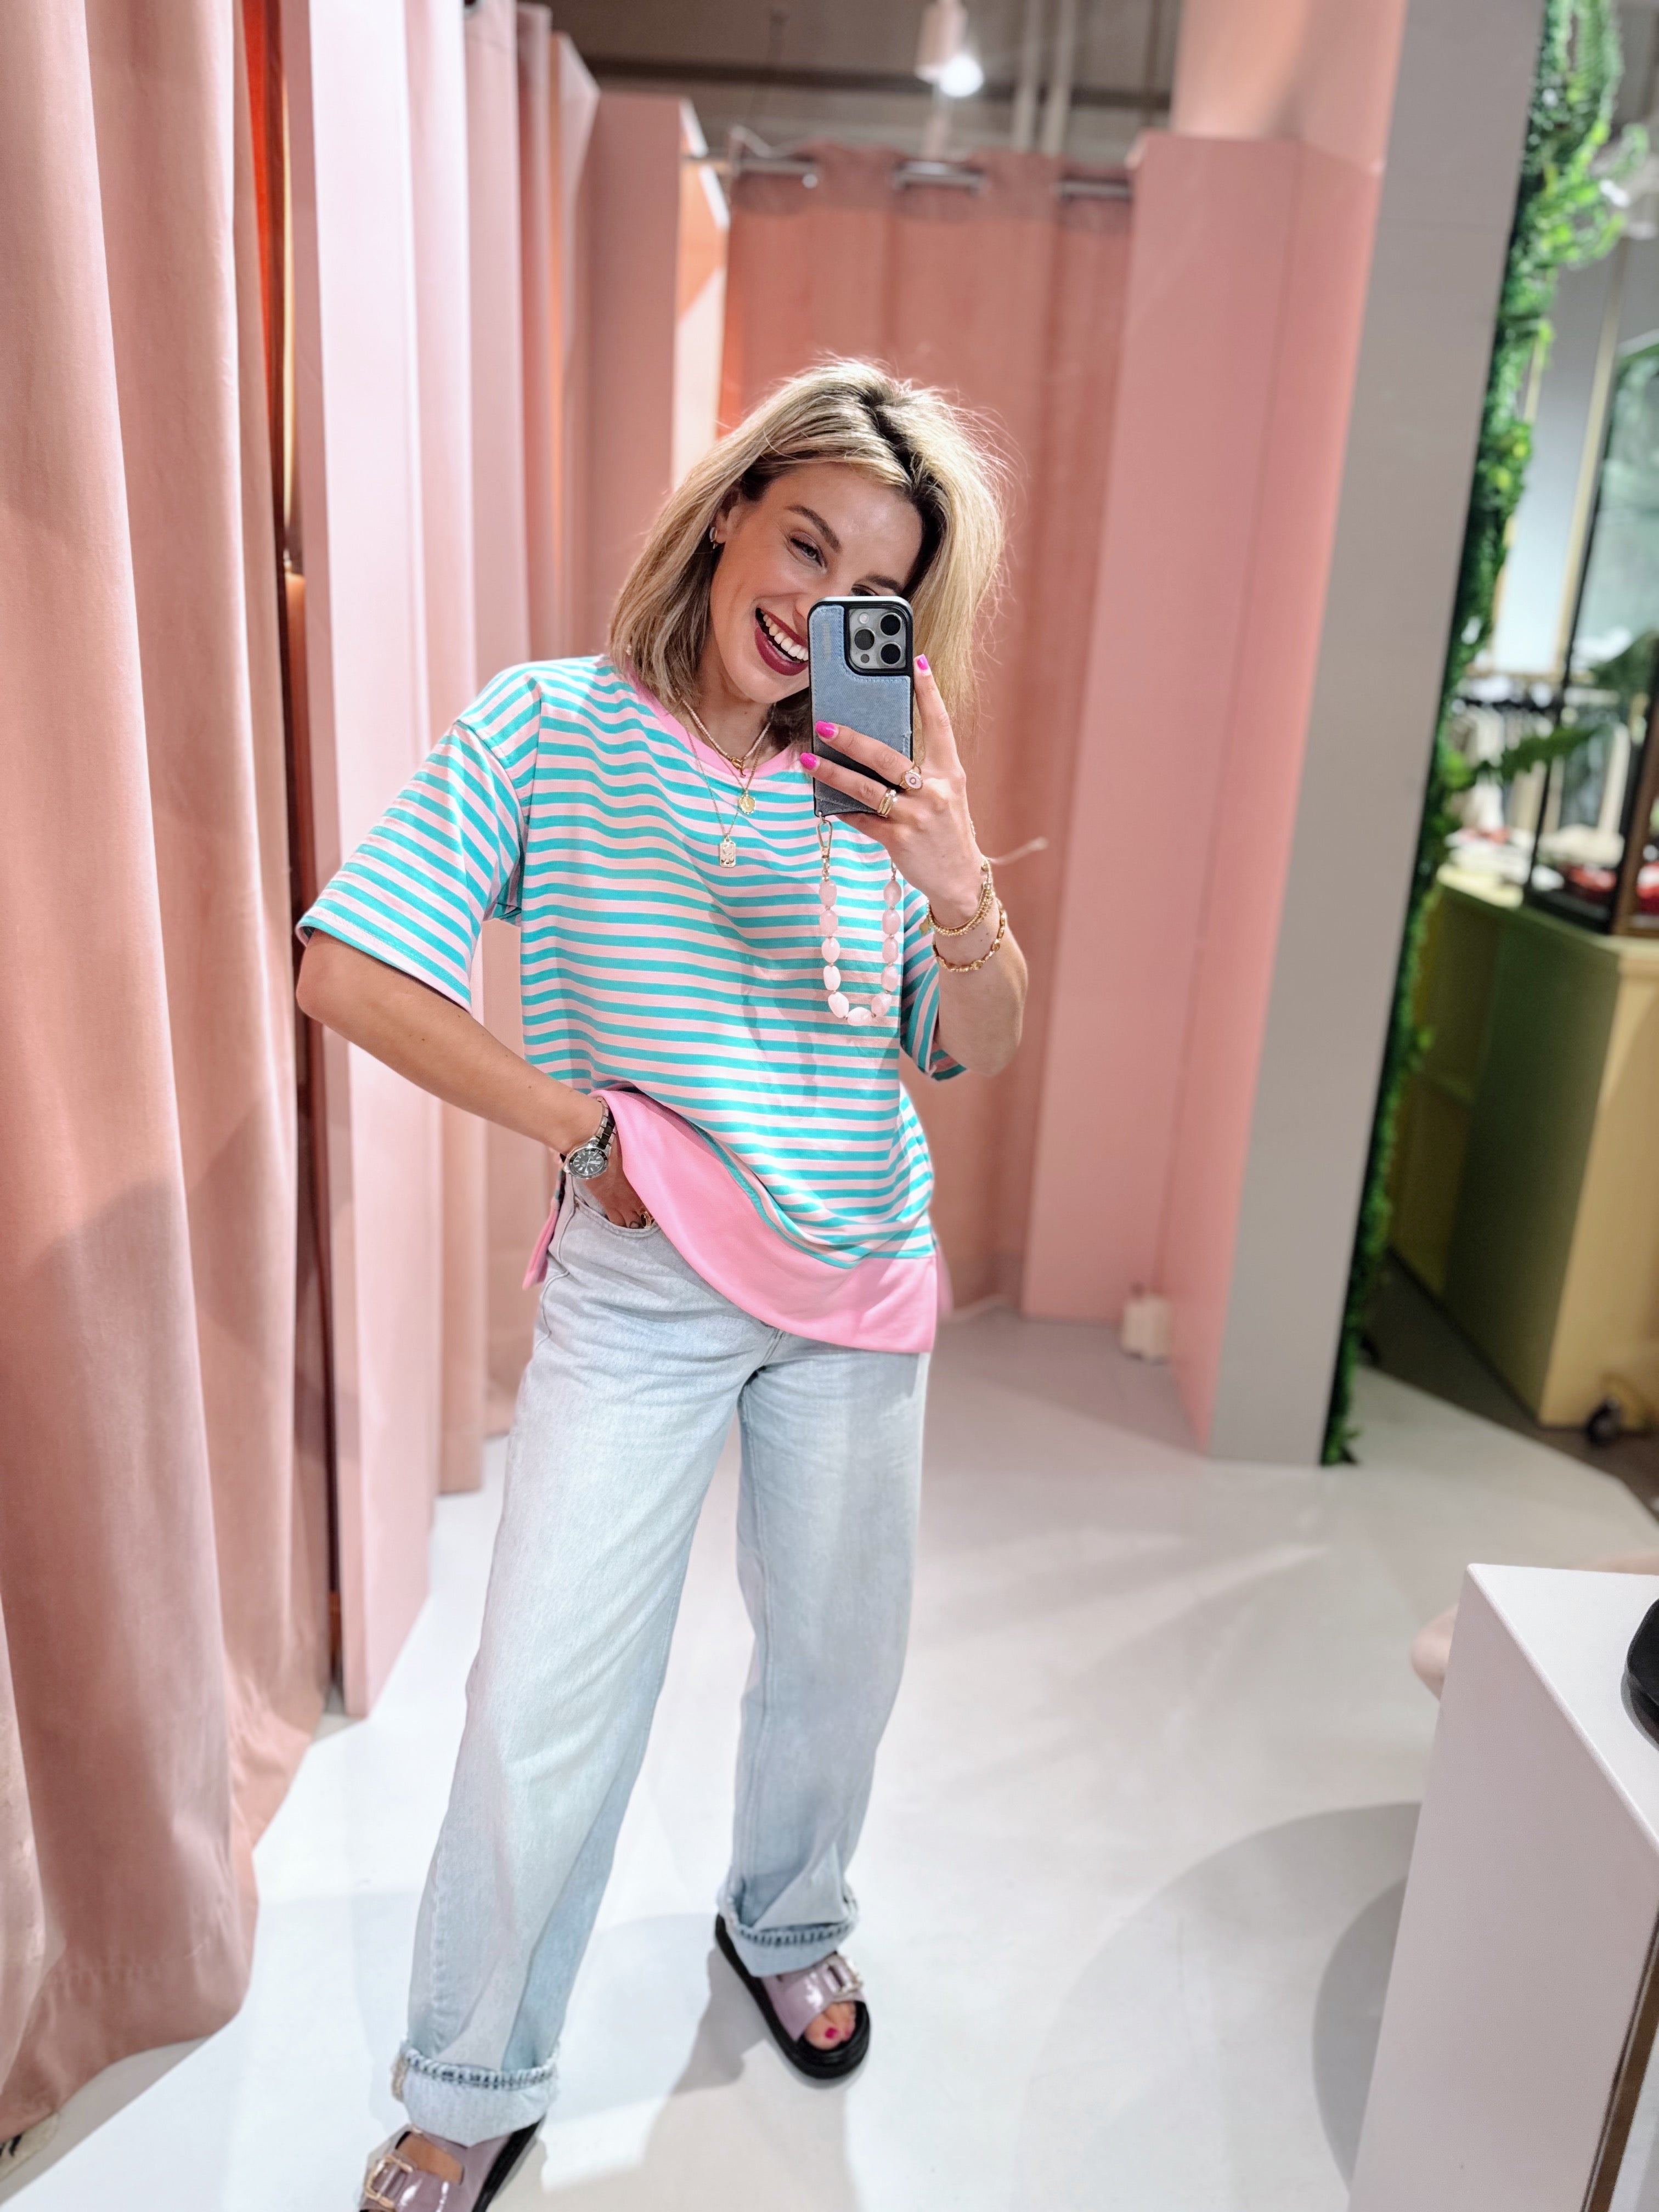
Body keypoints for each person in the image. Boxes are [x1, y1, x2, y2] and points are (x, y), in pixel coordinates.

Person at [296, 360, 1026, 2212]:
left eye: (872, 586)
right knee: (542, 1696)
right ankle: (471, 2078)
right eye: (805, 541)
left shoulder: (881, 790)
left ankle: (789, 1922)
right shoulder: (551, 727)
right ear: (728, 517)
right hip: (644, 1288)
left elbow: (973, 1046)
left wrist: (961, 885)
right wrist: (578, 1129)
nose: (818, 600)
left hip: (862, 1283)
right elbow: (348, 968)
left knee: (837, 1668)